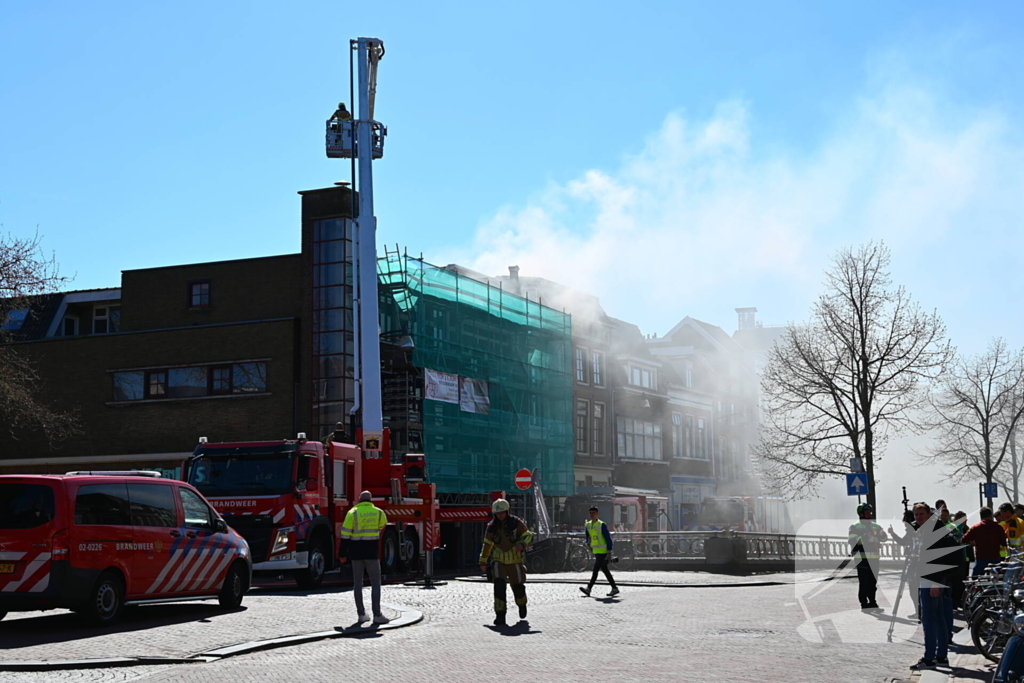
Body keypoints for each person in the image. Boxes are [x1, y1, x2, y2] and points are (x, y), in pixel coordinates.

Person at [908, 503, 961, 671]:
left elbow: (936, 558)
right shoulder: (935, 527)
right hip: (939, 580)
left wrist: (933, 583)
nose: (918, 518)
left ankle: (929, 658)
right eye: (916, 515)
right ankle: (941, 656)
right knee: (939, 618)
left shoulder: (931, 532)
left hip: (931, 580)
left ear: (929, 514)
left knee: (929, 619)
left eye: (921, 514)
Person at [479, 499, 533, 627]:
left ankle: (521, 604)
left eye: (502, 513)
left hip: (515, 560)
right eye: (498, 513)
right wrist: (483, 561)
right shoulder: (491, 527)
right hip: (498, 561)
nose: (500, 515)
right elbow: (487, 545)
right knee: (499, 587)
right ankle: (500, 615)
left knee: (518, 586)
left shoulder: (517, 523)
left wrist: (522, 544)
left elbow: (528, 535)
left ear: (507, 512)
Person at [340, 490, 389, 624]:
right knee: (376, 584)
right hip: (372, 553)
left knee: (357, 584)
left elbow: (344, 535)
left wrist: (342, 554)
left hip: (356, 553)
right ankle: (377, 615)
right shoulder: (379, 512)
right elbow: (382, 525)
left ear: (359, 499)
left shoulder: (352, 513)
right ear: (371, 500)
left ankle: (361, 614)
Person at [848, 503, 885, 610]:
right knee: (864, 582)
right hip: (862, 559)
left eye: (870, 512)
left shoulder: (876, 526)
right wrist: (864, 537)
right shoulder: (855, 526)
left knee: (873, 582)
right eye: (867, 512)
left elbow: (883, 539)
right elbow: (852, 541)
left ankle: (872, 601)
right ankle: (864, 602)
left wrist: (883, 535)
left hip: (874, 558)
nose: (869, 514)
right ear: (861, 514)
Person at [579, 506, 619, 598]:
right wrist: (588, 544)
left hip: (603, 551)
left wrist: (609, 551)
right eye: (590, 513)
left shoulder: (602, 524)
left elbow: (608, 539)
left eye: (593, 513)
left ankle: (589, 588)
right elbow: (588, 537)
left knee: (596, 569)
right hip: (596, 551)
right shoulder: (588, 525)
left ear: (597, 514)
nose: (591, 515)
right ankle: (614, 588)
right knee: (605, 570)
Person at [963, 507, 1007, 577]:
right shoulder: (998, 527)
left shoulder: (976, 528)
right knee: (997, 579)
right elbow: (1004, 542)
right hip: (995, 558)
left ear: (981, 516)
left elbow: (964, 539)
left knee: (975, 579)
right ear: (991, 516)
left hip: (981, 558)